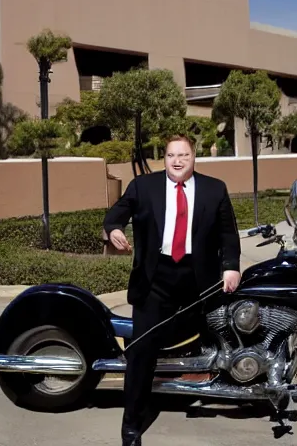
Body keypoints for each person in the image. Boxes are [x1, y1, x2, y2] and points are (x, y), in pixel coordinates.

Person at [103, 135, 242, 446]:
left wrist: (231, 265)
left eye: (184, 155)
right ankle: (131, 426)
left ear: (194, 157)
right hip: (156, 280)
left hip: (198, 281)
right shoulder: (143, 186)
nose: (177, 161)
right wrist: (114, 229)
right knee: (142, 352)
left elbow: (227, 233)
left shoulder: (214, 188)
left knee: (223, 335)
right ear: (163, 158)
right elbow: (117, 213)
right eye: (170, 155)